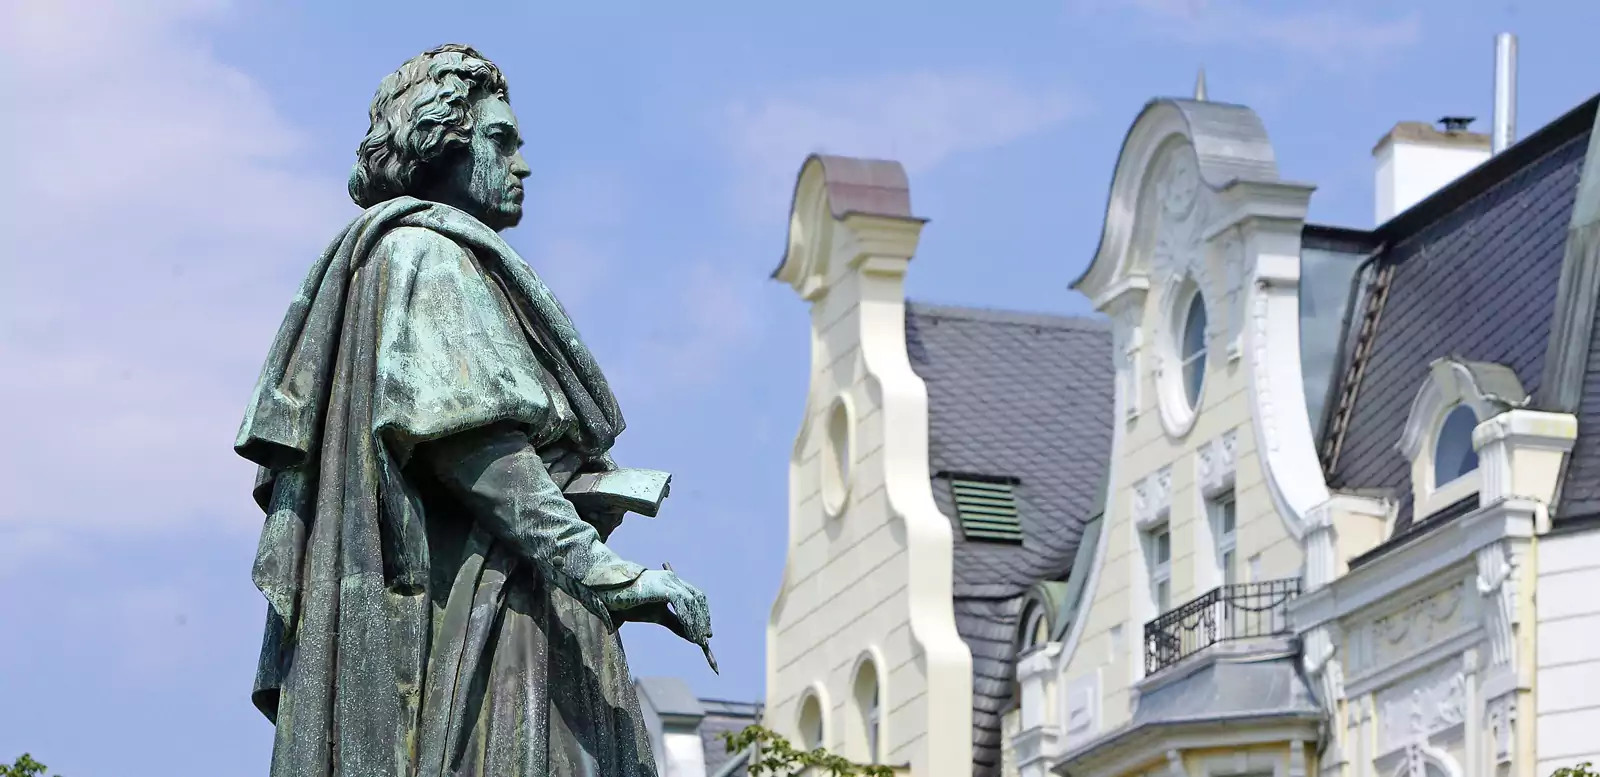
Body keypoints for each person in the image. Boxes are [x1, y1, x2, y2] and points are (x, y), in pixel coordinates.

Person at [234, 43, 712, 777]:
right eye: (501, 141)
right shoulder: (427, 257)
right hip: (489, 622)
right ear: (443, 143)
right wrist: (614, 575)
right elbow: (479, 455)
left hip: (493, 598)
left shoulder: (405, 259)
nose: (522, 165)